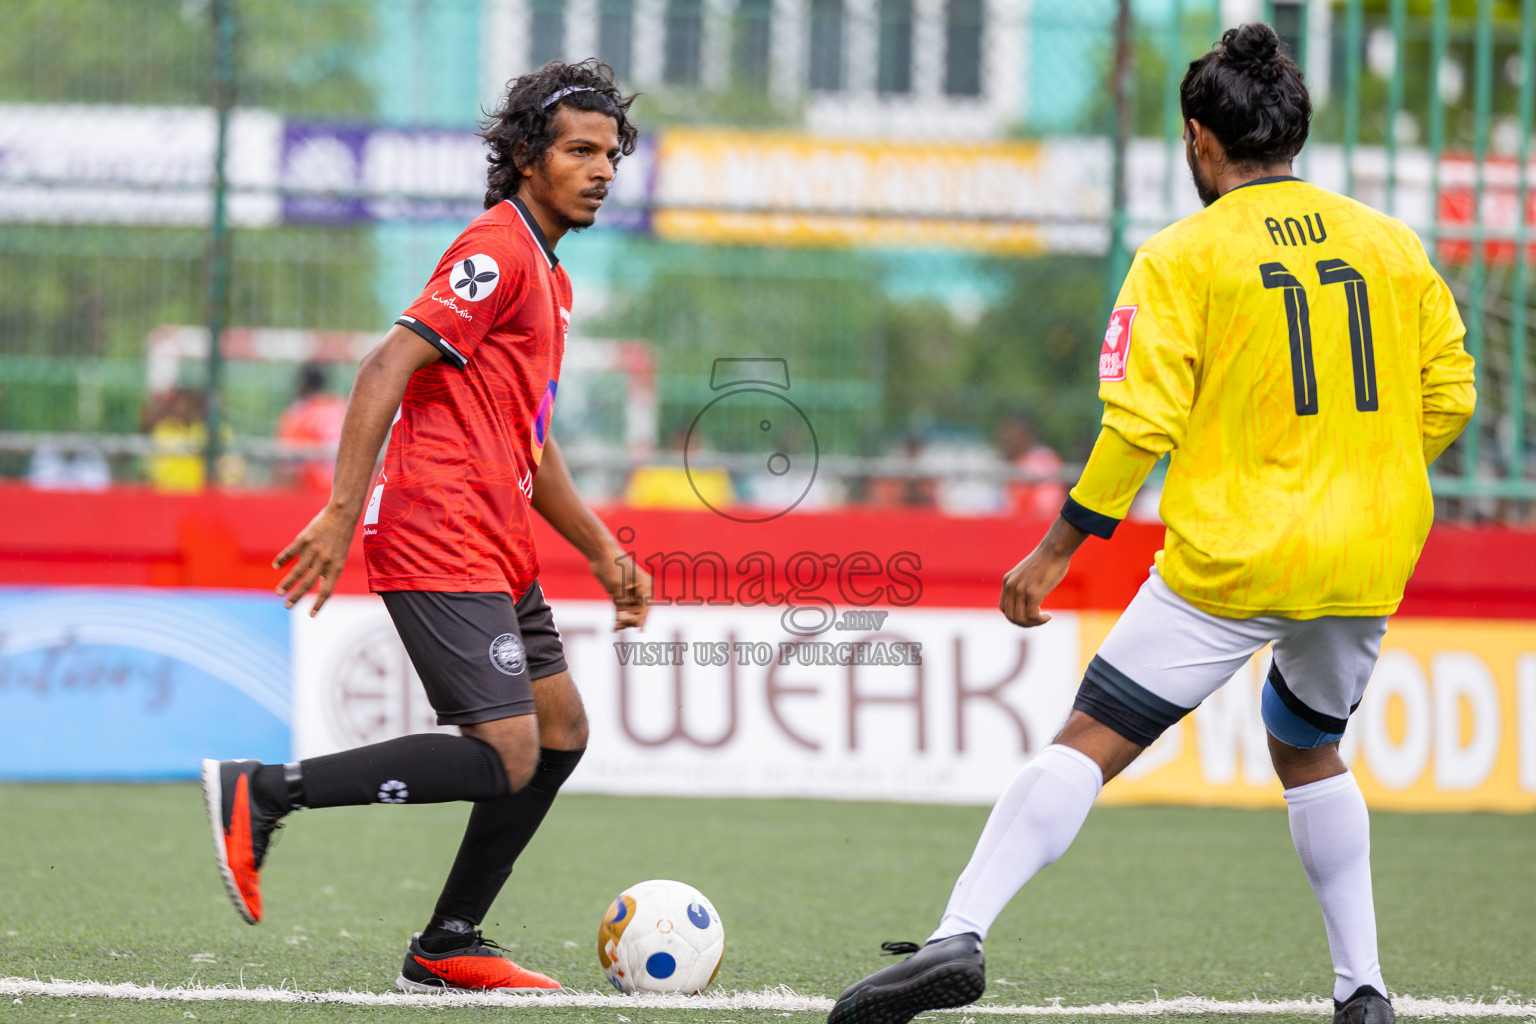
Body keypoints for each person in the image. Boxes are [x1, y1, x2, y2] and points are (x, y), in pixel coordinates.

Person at [828, 24, 1474, 1024]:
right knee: (1307, 745)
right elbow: (1454, 393)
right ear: (1293, 131)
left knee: (1091, 734)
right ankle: (1364, 991)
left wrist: (1053, 553)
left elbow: (1138, 427)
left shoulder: (1182, 257)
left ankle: (960, 931)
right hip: (1367, 551)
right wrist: (1363, 473)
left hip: (1233, 560)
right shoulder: (1391, 245)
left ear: (1197, 138)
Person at [200, 60, 652, 994]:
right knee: (508, 753)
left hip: (497, 539)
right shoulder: (495, 249)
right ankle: (264, 793)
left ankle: (449, 941)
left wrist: (604, 549)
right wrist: (335, 510)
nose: (602, 169)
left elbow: (533, 442)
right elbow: (382, 367)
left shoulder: (552, 279)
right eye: (579, 150)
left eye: (611, 154)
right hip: (438, 528)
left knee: (560, 732)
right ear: (528, 157)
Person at [275, 362, 348, 492]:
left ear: (303, 386)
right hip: (348, 493)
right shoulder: (344, 407)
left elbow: (287, 469)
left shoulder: (298, 413)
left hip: (313, 495)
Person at [995, 414, 1066, 519]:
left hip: (1041, 523)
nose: (1006, 440)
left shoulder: (1042, 458)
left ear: (1025, 437)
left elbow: (1047, 505)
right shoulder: (1008, 463)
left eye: (1011, 437)